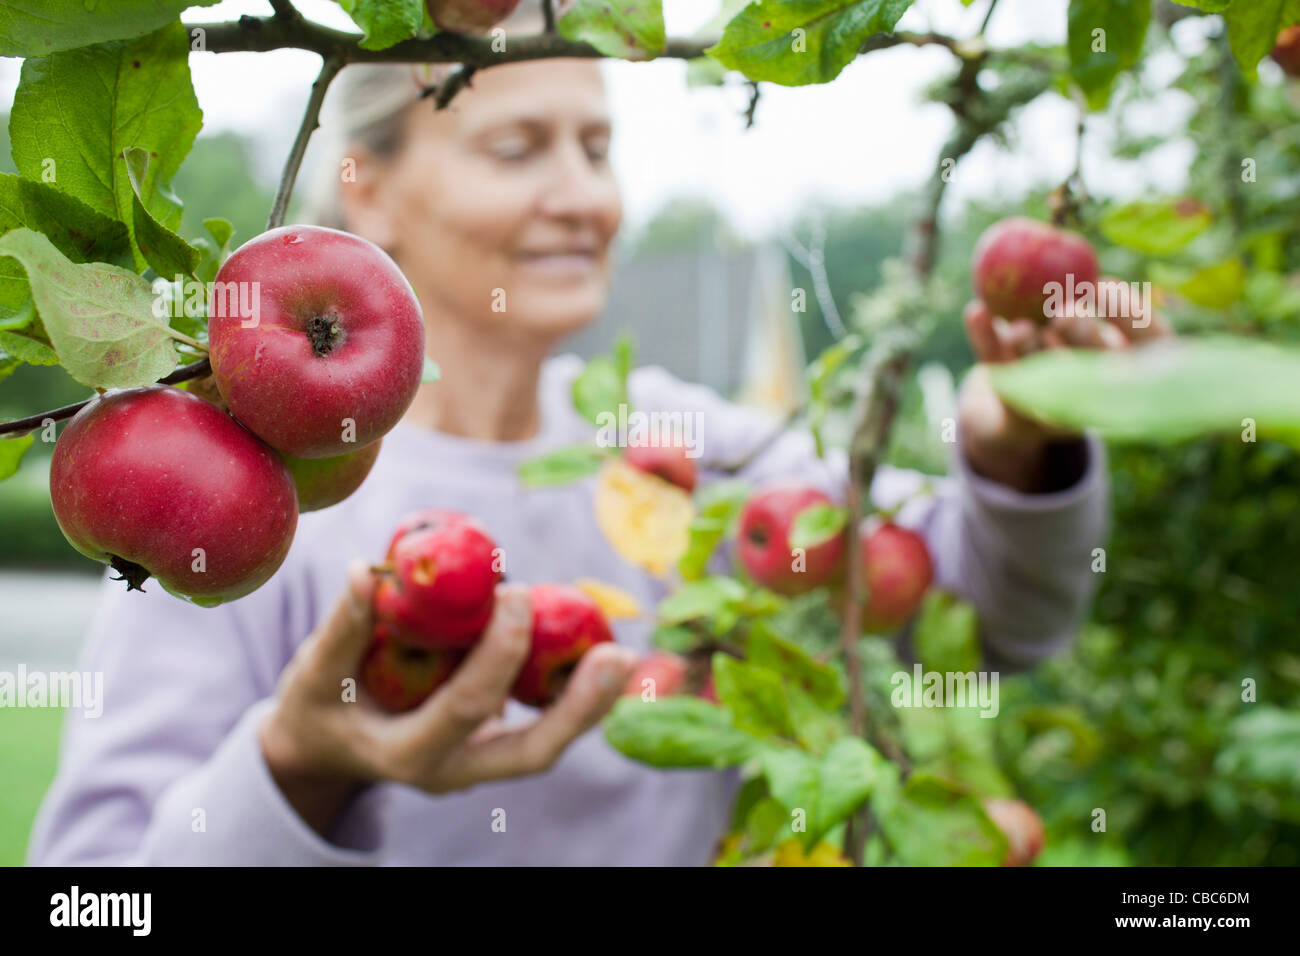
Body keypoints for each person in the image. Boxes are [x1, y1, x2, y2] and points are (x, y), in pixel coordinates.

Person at [27, 7, 1151, 867]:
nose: (585, 197)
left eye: (597, 146)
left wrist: (1019, 442)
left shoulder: (680, 445)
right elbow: (98, 888)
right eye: (518, 146)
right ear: (368, 194)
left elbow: (999, 616)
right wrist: (298, 768)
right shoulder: (245, 497)